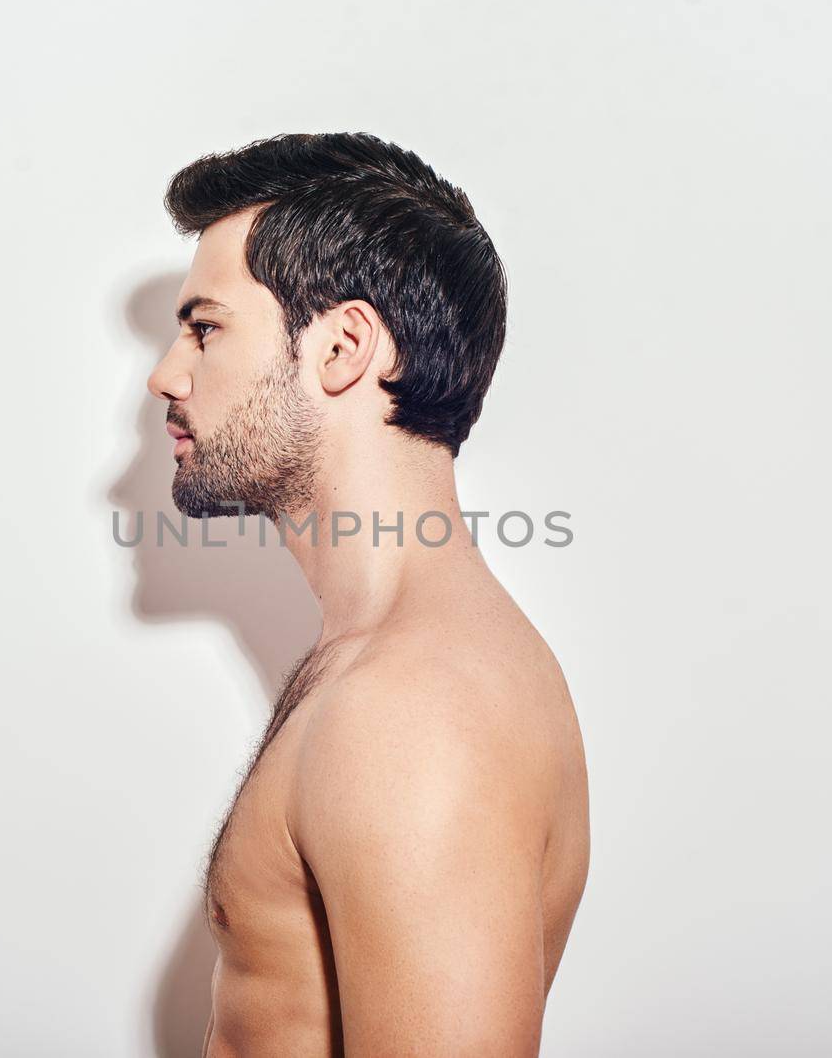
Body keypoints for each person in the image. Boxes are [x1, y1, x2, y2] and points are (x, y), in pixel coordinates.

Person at [146, 132, 590, 1056]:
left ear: (344, 346)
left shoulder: (414, 709)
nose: (167, 375)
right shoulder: (385, 664)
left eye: (205, 328)